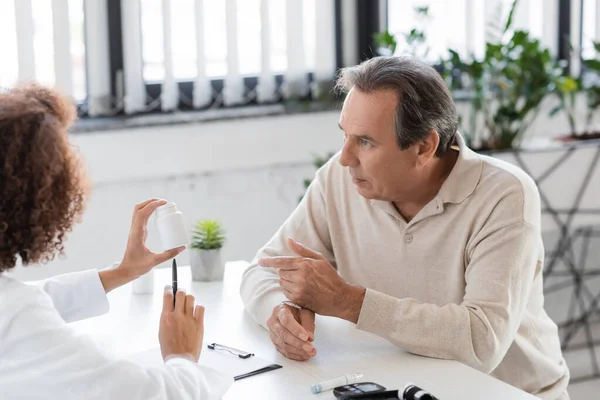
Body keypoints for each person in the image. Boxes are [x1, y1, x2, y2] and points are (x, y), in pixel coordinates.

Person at [240, 56, 570, 400]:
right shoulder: (339, 181)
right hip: (403, 385)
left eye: (366, 141)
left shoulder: (505, 195)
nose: (345, 158)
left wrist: (349, 302)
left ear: (424, 147)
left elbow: (481, 341)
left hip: (507, 393)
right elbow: (261, 272)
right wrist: (280, 313)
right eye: (346, 136)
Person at [0, 84, 232, 399]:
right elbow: (154, 395)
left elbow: (24, 304)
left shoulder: (14, 308)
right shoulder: (19, 319)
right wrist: (182, 355)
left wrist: (122, 272)